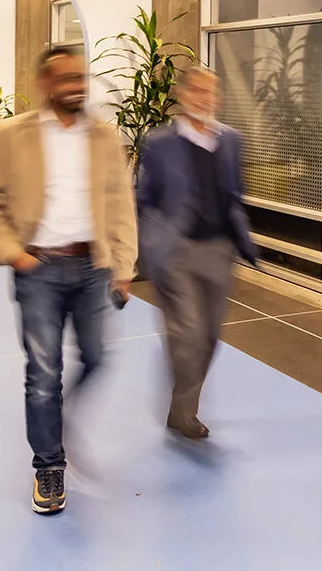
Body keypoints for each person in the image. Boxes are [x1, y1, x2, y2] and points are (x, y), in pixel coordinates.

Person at [0, 46, 136, 515]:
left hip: (91, 268)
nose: (75, 86)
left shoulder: (104, 135)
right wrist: (13, 254)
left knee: (99, 357)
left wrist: (123, 268)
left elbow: (120, 205)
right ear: (44, 84)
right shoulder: (11, 134)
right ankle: (49, 464)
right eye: (65, 79)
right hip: (37, 268)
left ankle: (55, 422)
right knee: (44, 375)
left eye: (80, 77)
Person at [136, 65, 257, 441]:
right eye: (199, 92)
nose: (206, 99)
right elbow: (145, 200)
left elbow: (235, 192)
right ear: (183, 96)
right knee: (188, 332)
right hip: (177, 251)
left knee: (208, 337)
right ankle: (185, 412)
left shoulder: (231, 140)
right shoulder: (159, 143)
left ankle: (179, 408)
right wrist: (152, 245)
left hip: (219, 251)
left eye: (212, 92)